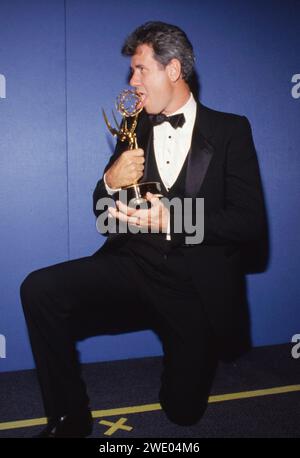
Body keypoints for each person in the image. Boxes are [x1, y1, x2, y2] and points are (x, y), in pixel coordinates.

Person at [20, 21, 267, 437]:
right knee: (39, 289)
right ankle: (69, 417)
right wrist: (110, 183)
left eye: (140, 70)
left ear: (173, 70)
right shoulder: (133, 128)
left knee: (182, 412)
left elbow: (249, 223)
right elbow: (104, 217)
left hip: (194, 286)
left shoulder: (230, 131)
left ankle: (182, 357)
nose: (132, 81)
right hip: (133, 267)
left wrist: (175, 217)